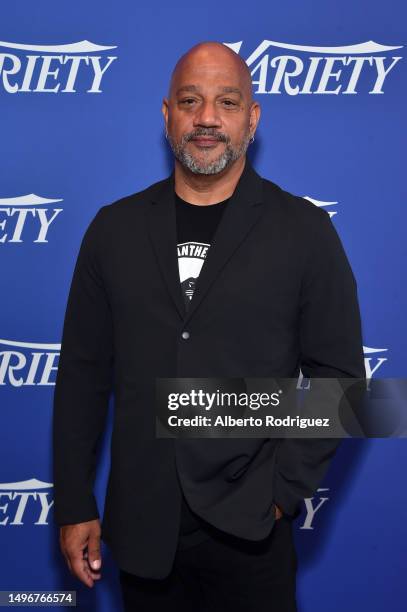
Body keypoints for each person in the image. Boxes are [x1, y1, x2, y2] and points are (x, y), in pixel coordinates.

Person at [52, 41, 365, 611]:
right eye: (190, 100)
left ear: (252, 117)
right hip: (143, 530)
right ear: (167, 113)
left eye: (227, 101)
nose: (207, 119)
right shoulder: (113, 230)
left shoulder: (304, 230)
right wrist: (74, 502)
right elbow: (81, 376)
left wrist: (281, 492)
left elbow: (342, 375)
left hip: (252, 532)